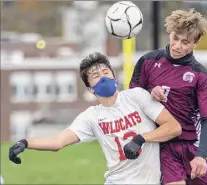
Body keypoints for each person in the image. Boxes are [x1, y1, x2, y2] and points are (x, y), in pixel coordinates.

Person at [9, 52, 182, 184]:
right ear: (90, 89)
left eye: (106, 72)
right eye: (96, 76)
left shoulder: (137, 97)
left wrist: (141, 138)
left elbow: (173, 127)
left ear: (114, 76)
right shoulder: (91, 116)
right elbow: (58, 142)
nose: (103, 77)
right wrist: (25, 142)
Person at [129, 9, 207, 185]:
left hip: (193, 145)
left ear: (195, 43)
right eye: (175, 38)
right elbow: (132, 98)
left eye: (185, 42)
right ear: (170, 33)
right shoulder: (148, 62)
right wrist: (150, 91)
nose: (177, 46)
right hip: (163, 145)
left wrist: (201, 155)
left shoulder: (201, 75)